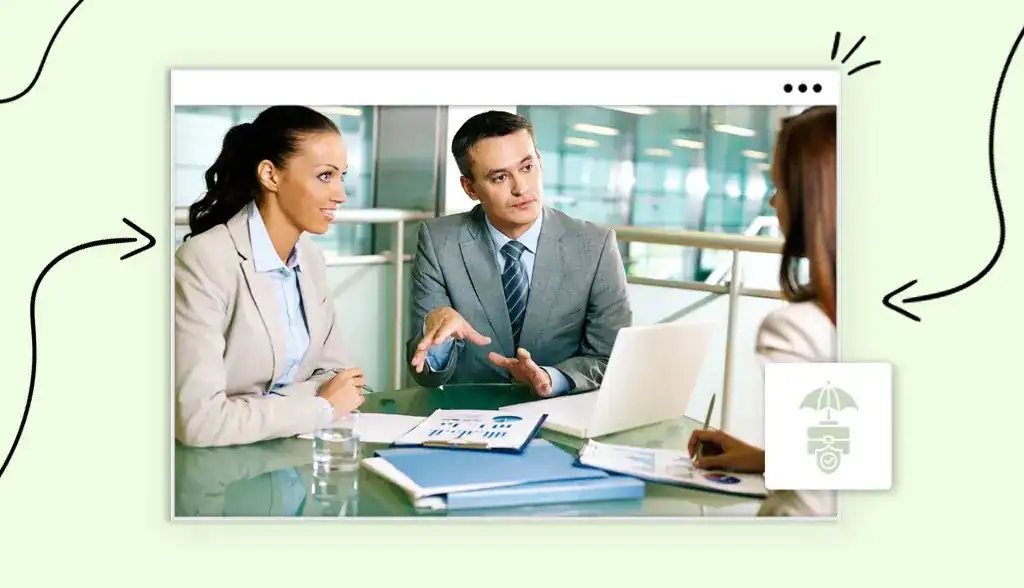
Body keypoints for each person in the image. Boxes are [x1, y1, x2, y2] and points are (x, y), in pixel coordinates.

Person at [175, 105, 366, 448]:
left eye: (342, 176)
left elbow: (342, 381)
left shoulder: (310, 257)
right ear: (270, 175)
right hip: (224, 475)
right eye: (325, 176)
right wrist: (319, 406)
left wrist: (257, 408)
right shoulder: (205, 260)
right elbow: (200, 422)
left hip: (293, 457)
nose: (340, 194)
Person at [406, 110, 632, 396]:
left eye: (527, 167)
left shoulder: (595, 245)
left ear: (539, 161)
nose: (521, 188)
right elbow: (424, 374)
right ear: (470, 188)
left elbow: (611, 358)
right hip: (469, 415)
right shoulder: (439, 242)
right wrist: (440, 342)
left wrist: (552, 378)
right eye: (500, 177)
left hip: (560, 412)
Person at [687, 105, 838, 517]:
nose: (773, 202)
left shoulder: (799, 330)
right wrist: (767, 459)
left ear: (815, 200)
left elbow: (810, 512)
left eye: (780, 188)